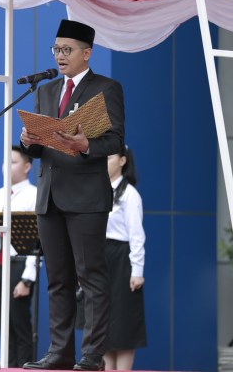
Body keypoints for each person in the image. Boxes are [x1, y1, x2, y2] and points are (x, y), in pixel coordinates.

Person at [21, 19, 125, 372]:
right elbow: (40, 148)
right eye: (56, 49)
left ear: (87, 53)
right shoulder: (46, 91)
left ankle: (92, 356)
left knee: (91, 278)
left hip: (86, 198)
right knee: (57, 280)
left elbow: (115, 140)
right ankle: (60, 352)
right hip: (49, 196)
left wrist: (86, 145)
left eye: (67, 50)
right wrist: (28, 141)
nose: (60, 56)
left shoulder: (106, 88)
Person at [0, 145, 38, 367]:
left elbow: (36, 241)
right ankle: (8, 367)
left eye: (13, 162)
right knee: (2, 326)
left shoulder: (34, 195)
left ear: (27, 167)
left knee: (20, 325)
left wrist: (27, 279)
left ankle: (23, 367)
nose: (7, 166)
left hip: (18, 265)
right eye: (5, 162)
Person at [102, 147, 146, 371]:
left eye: (109, 157)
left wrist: (137, 271)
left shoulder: (129, 194)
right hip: (101, 258)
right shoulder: (98, 189)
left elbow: (136, 236)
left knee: (123, 326)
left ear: (122, 161)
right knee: (103, 325)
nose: (104, 161)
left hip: (121, 261)